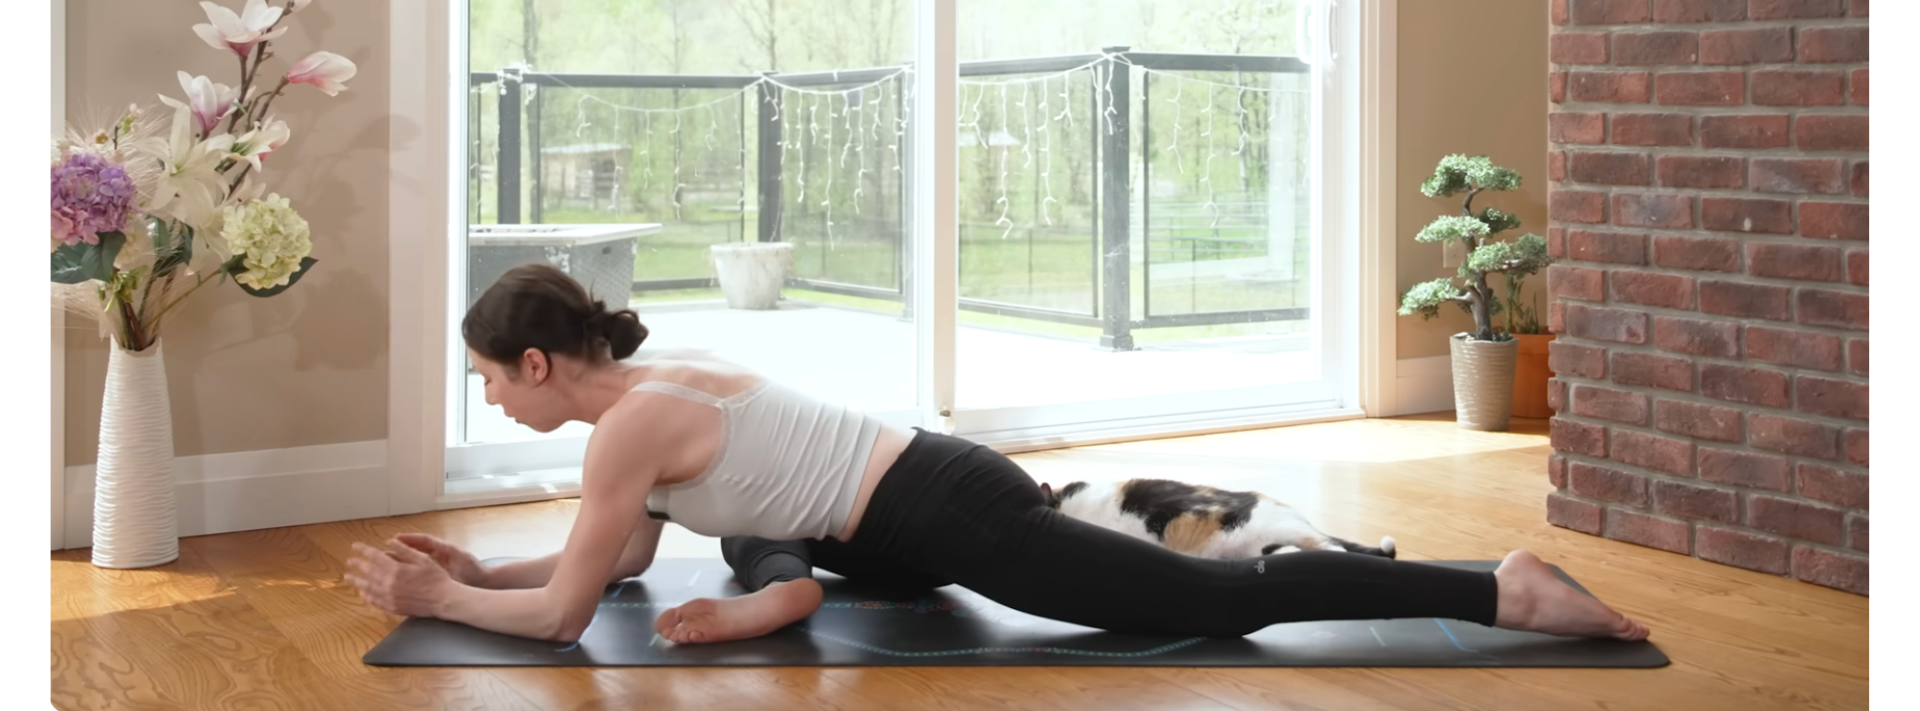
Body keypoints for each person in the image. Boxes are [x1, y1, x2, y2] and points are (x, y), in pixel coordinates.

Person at [344, 263, 1651, 646]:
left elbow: (572, 622)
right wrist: (485, 565)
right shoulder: (647, 390)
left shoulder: (624, 428)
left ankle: (1498, 587)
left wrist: (437, 598)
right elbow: (611, 568)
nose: (487, 403)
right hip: (919, 500)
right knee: (1184, 595)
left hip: (941, 513)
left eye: (484, 381)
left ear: (533, 367)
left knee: (1207, 613)